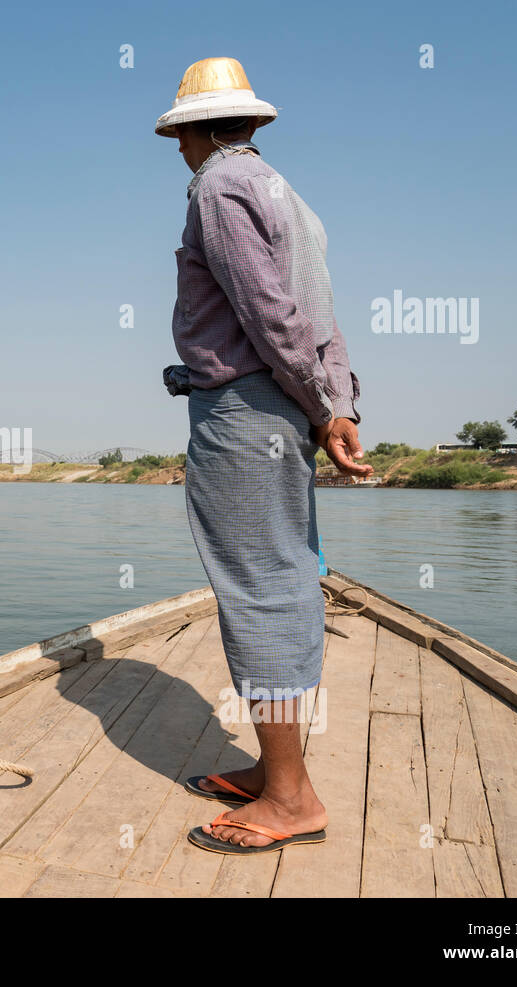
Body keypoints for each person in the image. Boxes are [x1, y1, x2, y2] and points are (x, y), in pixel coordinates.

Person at [155, 57, 372, 854]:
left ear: (193, 130)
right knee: (285, 574)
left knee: (261, 589)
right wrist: (336, 407)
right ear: (248, 122)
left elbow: (269, 316)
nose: (176, 150)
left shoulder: (216, 188)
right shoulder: (291, 198)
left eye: (178, 135)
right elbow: (319, 316)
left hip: (245, 408)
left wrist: (320, 406)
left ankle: (288, 797)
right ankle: (274, 769)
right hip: (287, 405)